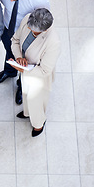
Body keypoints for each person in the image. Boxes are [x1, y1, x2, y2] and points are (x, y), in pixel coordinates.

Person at [0, 0, 50, 105]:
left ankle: (21, 85)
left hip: (26, 33)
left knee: (25, 61)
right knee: (9, 52)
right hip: (8, 28)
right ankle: (9, 72)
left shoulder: (39, 0)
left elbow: (42, 21)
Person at [9, 8, 60, 137]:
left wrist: (23, 70)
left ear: (45, 30)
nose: (31, 31)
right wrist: (18, 57)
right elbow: (15, 40)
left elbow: (45, 70)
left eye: (35, 32)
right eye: (30, 28)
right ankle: (27, 113)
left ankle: (38, 124)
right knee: (26, 95)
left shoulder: (53, 42)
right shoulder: (28, 19)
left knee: (35, 101)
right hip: (26, 69)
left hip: (39, 77)